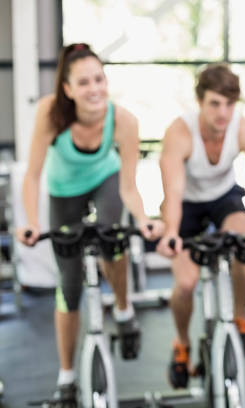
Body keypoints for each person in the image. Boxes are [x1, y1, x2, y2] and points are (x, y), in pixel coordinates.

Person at [16, 43, 163, 406]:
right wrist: (32, 225)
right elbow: (32, 175)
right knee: (68, 284)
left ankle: (124, 310)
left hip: (106, 181)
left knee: (114, 237)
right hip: (64, 192)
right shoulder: (50, 113)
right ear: (67, 89)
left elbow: (129, 186)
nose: (94, 88)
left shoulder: (124, 120)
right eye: (83, 82)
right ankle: (66, 376)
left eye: (99, 79)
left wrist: (143, 221)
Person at [155, 64, 245, 388]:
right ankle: (181, 342)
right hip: (186, 204)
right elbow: (173, 192)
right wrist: (172, 233)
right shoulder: (179, 132)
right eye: (215, 104)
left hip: (223, 197)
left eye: (229, 105)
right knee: (187, 283)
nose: (223, 113)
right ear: (200, 101)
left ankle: (239, 316)